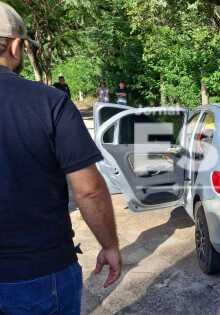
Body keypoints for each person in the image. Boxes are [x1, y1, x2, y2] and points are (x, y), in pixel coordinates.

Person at [0, 3, 121, 314]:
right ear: (15, 44)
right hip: (38, 274)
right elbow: (89, 189)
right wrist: (109, 246)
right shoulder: (50, 103)